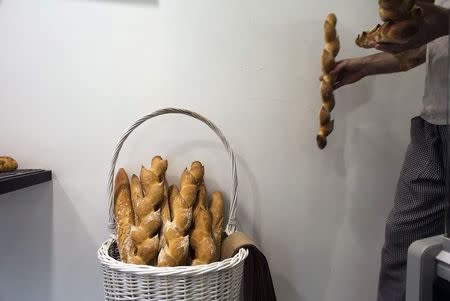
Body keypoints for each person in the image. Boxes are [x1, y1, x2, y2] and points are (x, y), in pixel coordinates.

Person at [328, 1, 450, 300]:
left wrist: (440, 21)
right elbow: (436, 45)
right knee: (404, 244)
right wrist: (367, 65)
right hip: (433, 124)